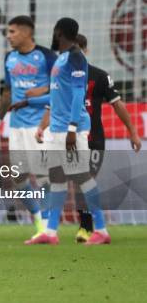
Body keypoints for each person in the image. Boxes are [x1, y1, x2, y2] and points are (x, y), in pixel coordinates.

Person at [27, 17, 109, 245]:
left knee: (82, 176)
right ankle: (51, 232)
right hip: (57, 128)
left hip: (70, 129)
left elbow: (76, 95)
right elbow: (57, 95)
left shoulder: (75, 57)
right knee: (57, 178)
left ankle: (101, 229)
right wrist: (29, 102)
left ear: (59, 32)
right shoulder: (62, 58)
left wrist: (72, 128)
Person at [0, 15, 56, 238]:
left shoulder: (46, 56)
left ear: (27, 33)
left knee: (44, 176)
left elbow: (62, 87)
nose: (8, 36)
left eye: (12, 32)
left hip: (40, 125)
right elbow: (7, 91)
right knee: (18, 177)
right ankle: (38, 220)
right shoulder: (9, 58)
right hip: (15, 126)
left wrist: (42, 90)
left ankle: (46, 227)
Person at [73, 34, 141, 242]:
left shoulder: (99, 76)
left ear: (85, 49)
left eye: (76, 50)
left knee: (86, 181)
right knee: (77, 183)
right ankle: (87, 227)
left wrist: (132, 131)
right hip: (70, 137)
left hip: (93, 139)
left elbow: (117, 104)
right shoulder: (62, 75)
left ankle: (91, 228)